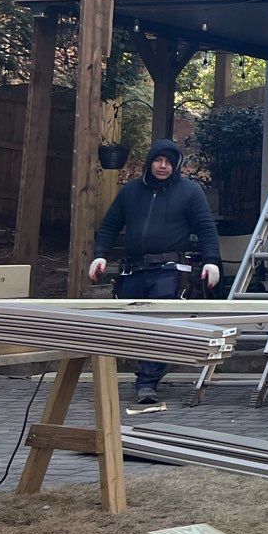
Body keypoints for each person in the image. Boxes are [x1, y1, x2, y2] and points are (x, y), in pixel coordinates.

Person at [89, 137, 222, 403]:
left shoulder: (189, 192)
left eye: (168, 163)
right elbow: (109, 226)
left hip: (169, 270)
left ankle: (146, 383)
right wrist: (100, 256)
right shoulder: (130, 192)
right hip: (133, 270)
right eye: (158, 161)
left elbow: (206, 228)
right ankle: (150, 370)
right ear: (150, 163)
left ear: (176, 166)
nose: (163, 166)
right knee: (136, 326)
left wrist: (212, 261)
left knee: (157, 323)